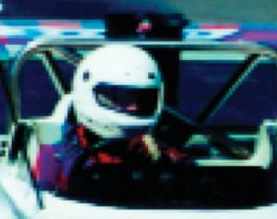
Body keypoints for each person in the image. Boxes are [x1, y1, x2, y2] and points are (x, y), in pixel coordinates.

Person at [55, 44, 186, 196]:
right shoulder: (58, 149)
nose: (134, 107)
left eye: (142, 99)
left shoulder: (149, 147)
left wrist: (162, 161)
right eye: (122, 98)